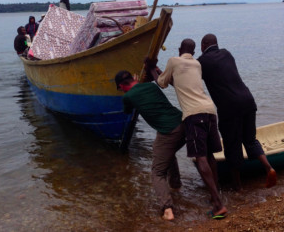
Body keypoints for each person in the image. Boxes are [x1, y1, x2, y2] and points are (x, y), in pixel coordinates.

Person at [147, 38, 227, 219]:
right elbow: (182, 84)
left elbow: (161, 83)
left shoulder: (174, 61)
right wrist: (162, 72)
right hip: (209, 111)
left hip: (193, 115)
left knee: (200, 158)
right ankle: (215, 196)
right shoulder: (197, 64)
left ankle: (218, 204)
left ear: (179, 48)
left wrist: (152, 68)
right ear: (194, 50)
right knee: (210, 156)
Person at [198, 33, 277, 191]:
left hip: (229, 108)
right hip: (248, 100)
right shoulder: (227, 54)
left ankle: (238, 186)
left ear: (204, 45)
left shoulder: (202, 62)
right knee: (250, 140)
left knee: (232, 145)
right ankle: (269, 168)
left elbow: (189, 78)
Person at [115, 70, 185, 221]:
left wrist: (127, 94)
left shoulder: (128, 96)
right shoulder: (152, 87)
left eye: (120, 88)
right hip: (182, 122)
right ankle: (176, 185)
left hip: (168, 130)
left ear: (122, 86)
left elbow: (127, 111)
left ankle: (167, 209)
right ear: (133, 78)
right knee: (167, 153)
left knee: (157, 172)